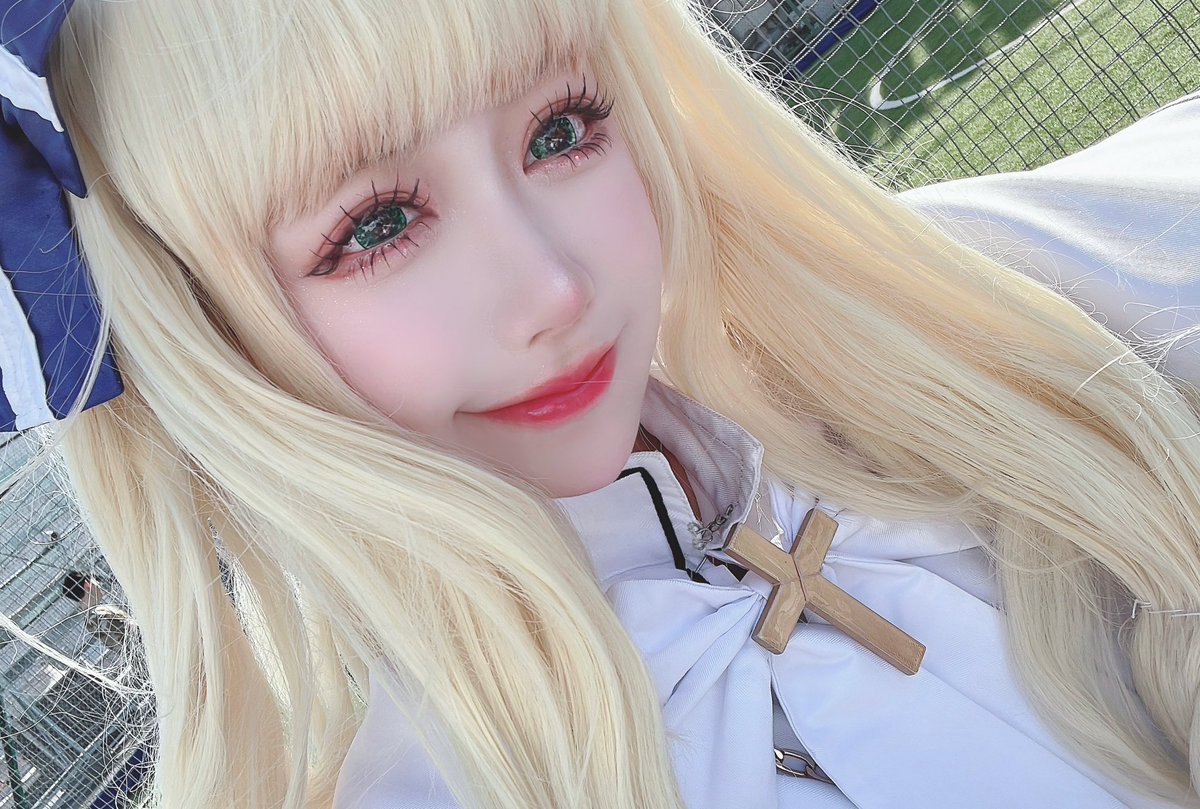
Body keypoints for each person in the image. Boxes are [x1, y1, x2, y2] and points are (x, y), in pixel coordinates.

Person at [0, 0, 1196, 807]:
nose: (556, 288)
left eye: (561, 130)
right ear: (195, 325)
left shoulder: (958, 349)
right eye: (376, 226)